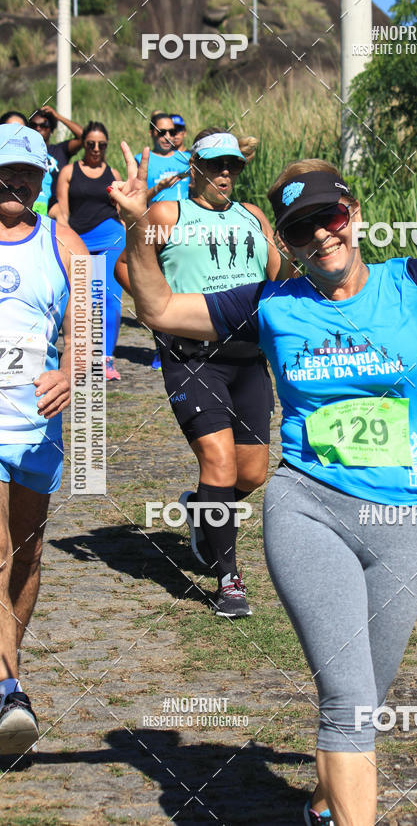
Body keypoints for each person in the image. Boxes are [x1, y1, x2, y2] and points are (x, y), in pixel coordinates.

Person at [113, 75, 417, 825]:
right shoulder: (272, 305)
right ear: (287, 241)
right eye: (303, 229)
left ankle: (322, 805)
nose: (322, 236)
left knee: (365, 696)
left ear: (355, 215)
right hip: (309, 511)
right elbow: (157, 308)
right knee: (345, 697)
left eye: (330, 218)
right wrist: (144, 227)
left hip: (410, 524)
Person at [114, 128, 290, 617]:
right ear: (195, 167)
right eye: (215, 165)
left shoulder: (253, 217)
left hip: (248, 360)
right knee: (219, 462)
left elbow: (281, 279)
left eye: (232, 165)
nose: (225, 174)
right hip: (193, 359)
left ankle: (203, 509)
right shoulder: (169, 213)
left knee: (251, 473)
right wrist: (161, 313)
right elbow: (126, 268)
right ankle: (229, 578)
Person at [0, 123, 88, 754]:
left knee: (26, 556)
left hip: (37, 430)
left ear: (40, 180)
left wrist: (69, 370)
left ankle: (6, 672)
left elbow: (86, 331)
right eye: (6, 171)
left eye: (28, 173)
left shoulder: (66, 244)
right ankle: (9, 689)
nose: (16, 182)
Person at [56, 121, 125, 381]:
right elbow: (63, 211)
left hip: (110, 237)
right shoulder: (69, 171)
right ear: (83, 144)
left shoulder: (114, 173)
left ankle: (106, 359)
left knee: (108, 297)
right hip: (79, 239)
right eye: (91, 144)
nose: (96, 149)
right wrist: (64, 239)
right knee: (83, 300)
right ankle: (81, 357)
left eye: (102, 145)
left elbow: (121, 208)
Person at [135, 113, 192, 369]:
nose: (167, 136)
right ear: (151, 133)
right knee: (159, 293)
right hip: (156, 233)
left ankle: (189, 344)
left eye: (171, 131)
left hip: (188, 231)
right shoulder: (141, 161)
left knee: (186, 289)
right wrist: (158, 188)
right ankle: (162, 348)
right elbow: (136, 200)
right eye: (161, 132)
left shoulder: (187, 159)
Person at [28, 105, 83, 216]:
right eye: (34, 125)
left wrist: (58, 117)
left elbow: (84, 136)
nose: (38, 128)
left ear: (51, 129)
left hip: (57, 209)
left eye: (44, 125)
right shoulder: (25, 152)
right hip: (31, 205)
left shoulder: (59, 150)